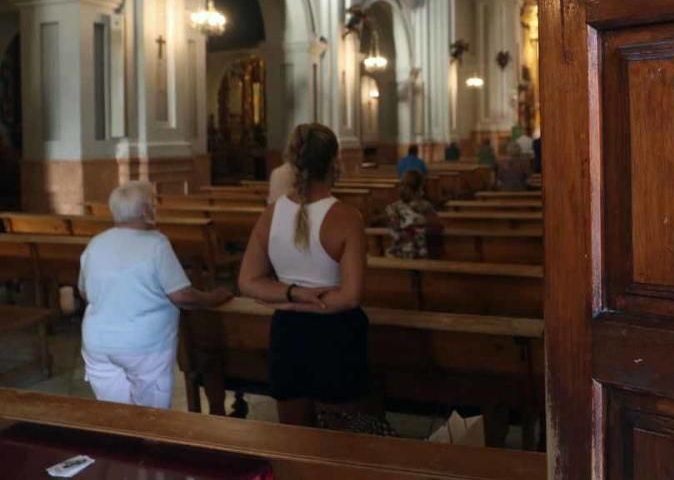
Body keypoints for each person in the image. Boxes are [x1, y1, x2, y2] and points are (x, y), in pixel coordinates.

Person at [238, 123, 368, 427]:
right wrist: (302, 297)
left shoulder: (271, 214)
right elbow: (350, 297)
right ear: (335, 161)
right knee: (341, 442)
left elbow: (247, 282)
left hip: (288, 331)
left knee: (294, 435)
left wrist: (290, 298)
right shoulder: (347, 218)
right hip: (336, 333)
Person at [78, 181, 232, 409]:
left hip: (98, 343)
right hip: (144, 346)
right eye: (153, 204)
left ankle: (120, 444)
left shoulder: (96, 243)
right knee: (152, 418)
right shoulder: (156, 244)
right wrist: (213, 298)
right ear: (145, 211)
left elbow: (83, 291)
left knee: (114, 415)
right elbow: (181, 296)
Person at [384, 170, 442, 259]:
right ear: (420, 188)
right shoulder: (425, 206)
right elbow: (438, 226)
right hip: (419, 254)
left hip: (397, 254)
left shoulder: (392, 208)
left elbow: (392, 232)